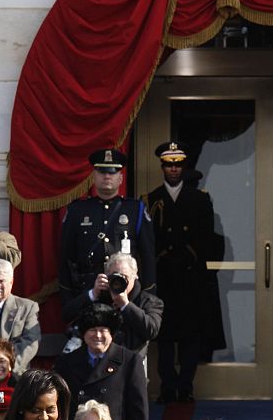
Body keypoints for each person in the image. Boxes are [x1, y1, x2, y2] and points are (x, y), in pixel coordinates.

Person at [146, 141, 224, 402]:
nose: (173, 169)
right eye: (169, 165)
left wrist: (188, 254)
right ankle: (168, 385)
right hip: (165, 275)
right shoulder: (152, 199)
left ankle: (186, 385)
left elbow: (207, 237)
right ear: (162, 167)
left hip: (191, 276)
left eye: (178, 165)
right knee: (166, 336)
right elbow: (148, 239)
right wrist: (164, 257)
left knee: (191, 335)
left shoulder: (200, 199)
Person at [59, 148, 155, 321]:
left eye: (113, 172)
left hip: (125, 290)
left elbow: (147, 255)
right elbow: (65, 256)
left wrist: (148, 293)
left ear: (121, 178)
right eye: (102, 172)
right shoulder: (77, 210)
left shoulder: (135, 209)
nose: (107, 176)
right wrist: (68, 296)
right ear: (93, 177)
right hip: (88, 289)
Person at [54, 303, 148, 420]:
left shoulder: (129, 361)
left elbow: (138, 409)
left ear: (112, 333)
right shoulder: (66, 362)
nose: (98, 335)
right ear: (84, 333)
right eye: (93, 330)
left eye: (103, 330)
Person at [62, 253, 162, 360]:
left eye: (124, 277)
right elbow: (67, 315)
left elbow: (151, 330)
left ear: (135, 275)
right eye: (115, 276)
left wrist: (126, 305)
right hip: (96, 360)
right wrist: (93, 294)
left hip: (130, 362)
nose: (119, 282)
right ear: (107, 276)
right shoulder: (100, 294)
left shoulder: (148, 301)